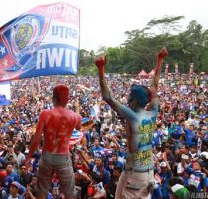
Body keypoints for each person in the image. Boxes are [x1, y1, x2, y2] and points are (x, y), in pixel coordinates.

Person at [94, 47, 168, 199]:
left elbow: (108, 97)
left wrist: (101, 70)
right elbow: (154, 87)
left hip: (136, 176)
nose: (127, 98)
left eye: (129, 96)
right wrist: (159, 60)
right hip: (145, 172)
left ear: (134, 101)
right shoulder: (152, 112)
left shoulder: (132, 116)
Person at [25, 84, 82, 199]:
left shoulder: (45, 114)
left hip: (47, 156)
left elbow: (36, 139)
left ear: (53, 98)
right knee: (70, 193)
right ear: (67, 99)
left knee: (42, 192)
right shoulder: (75, 116)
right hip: (63, 158)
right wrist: (77, 109)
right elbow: (79, 128)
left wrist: (28, 157)